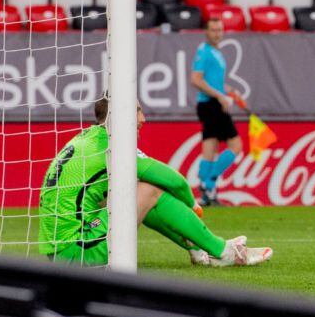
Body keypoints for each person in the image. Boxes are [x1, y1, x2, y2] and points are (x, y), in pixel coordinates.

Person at [38, 97, 272, 267]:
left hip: (60, 252)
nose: (143, 118)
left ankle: (199, 247)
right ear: (118, 115)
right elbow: (175, 181)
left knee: (127, 193)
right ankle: (223, 251)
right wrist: (193, 207)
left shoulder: (87, 138)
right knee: (148, 187)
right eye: (137, 110)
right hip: (79, 251)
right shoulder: (113, 146)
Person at [190, 17, 243, 206]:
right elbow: (196, 79)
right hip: (211, 104)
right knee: (236, 145)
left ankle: (207, 196)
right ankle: (208, 182)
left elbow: (214, 82)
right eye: (213, 30)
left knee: (210, 148)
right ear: (207, 31)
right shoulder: (204, 51)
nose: (217, 33)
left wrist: (227, 90)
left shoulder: (215, 52)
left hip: (210, 103)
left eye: (219, 30)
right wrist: (220, 96)